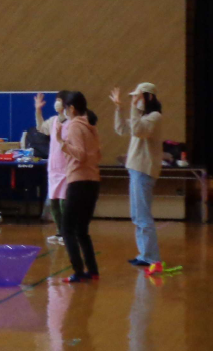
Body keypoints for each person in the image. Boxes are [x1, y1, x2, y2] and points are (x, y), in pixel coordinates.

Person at [111, 83, 165, 274]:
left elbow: (139, 131)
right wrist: (120, 108)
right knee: (137, 215)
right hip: (136, 170)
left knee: (143, 217)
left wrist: (133, 108)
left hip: (144, 170)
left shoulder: (154, 117)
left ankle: (153, 258)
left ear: (149, 97)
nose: (134, 100)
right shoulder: (141, 117)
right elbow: (121, 128)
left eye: (138, 97)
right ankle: (145, 255)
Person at [57, 92, 102, 283]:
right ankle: (93, 271)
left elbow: (80, 154)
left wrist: (61, 143)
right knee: (82, 230)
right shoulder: (91, 126)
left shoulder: (75, 125)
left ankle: (78, 272)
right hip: (93, 181)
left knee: (67, 229)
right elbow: (97, 154)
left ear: (71, 108)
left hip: (79, 181)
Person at [35, 91, 73, 245]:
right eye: (56, 100)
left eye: (60, 100)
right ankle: (59, 232)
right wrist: (38, 110)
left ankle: (67, 233)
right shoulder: (53, 121)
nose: (56, 103)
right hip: (53, 167)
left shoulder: (72, 123)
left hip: (67, 168)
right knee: (54, 202)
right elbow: (41, 128)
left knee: (65, 203)